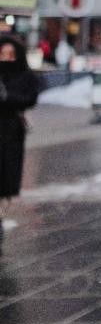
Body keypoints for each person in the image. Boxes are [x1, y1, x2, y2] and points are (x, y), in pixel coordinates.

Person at [0, 36, 40, 214]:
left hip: (12, 130)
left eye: (10, 54)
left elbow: (30, 99)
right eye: (3, 54)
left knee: (8, 170)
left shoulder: (25, 75)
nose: (6, 58)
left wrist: (7, 99)